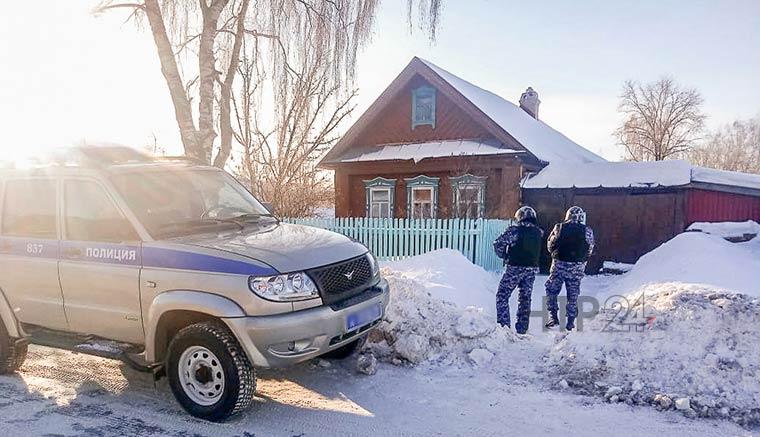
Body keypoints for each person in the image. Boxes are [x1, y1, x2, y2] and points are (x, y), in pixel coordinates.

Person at [493, 206, 544, 334]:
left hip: (515, 268)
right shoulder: (539, 232)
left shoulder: (515, 231)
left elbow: (498, 243)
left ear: (519, 217)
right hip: (531, 269)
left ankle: (504, 327)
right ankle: (522, 328)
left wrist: (504, 255)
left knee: (502, 296)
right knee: (525, 298)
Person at [544, 206, 595, 331]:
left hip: (559, 265)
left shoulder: (559, 227)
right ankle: (571, 322)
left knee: (551, 290)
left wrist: (555, 255)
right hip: (577, 267)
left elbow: (550, 244)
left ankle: (553, 317)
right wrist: (581, 259)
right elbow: (590, 248)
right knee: (573, 294)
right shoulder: (587, 230)